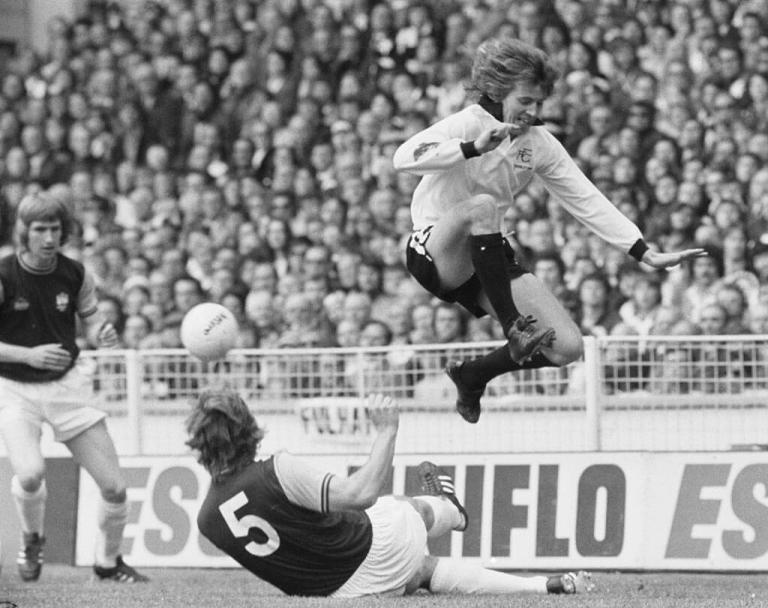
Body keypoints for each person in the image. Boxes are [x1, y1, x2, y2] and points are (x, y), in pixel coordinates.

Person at [394, 38, 705, 423]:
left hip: (485, 258)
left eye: (539, 103)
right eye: (525, 101)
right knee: (483, 208)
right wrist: (469, 148)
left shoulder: (539, 144)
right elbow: (403, 157)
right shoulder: (469, 122)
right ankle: (513, 328)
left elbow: (585, 197)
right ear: (497, 90)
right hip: (434, 249)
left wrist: (642, 251)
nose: (533, 111)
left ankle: (473, 375)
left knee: (568, 347)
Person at [188, 387, 593, 597]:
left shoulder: (207, 520)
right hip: (371, 552)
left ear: (197, 442)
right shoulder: (276, 469)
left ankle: (542, 587)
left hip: (341, 593)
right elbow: (358, 494)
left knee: (423, 571)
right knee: (399, 506)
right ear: (248, 428)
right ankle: (450, 510)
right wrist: (386, 431)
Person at [0, 192, 148, 583]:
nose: (49, 238)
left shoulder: (76, 273)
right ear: (24, 232)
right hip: (14, 389)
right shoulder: (4, 275)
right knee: (30, 474)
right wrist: (26, 355)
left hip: (67, 387)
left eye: (55, 229)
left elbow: (92, 319)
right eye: (40, 229)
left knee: (115, 487)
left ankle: (108, 561)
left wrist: (104, 333)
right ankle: (32, 539)